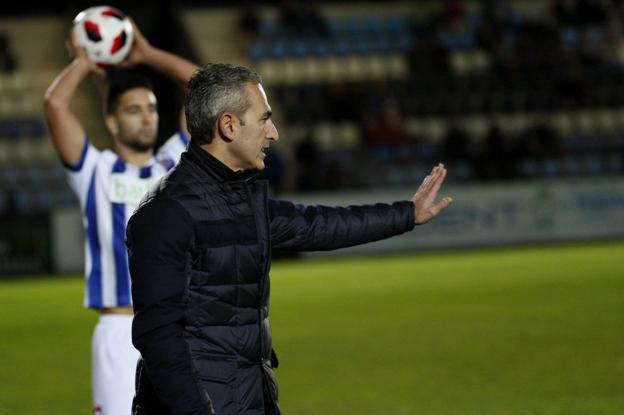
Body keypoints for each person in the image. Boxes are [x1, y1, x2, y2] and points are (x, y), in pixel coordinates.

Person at [126, 63, 453, 415]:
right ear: (228, 125)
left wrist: (407, 214)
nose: (274, 133)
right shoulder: (165, 213)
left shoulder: (242, 198)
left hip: (252, 395)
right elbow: (160, 337)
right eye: (264, 119)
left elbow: (320, 225)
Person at [42, 20, 199, 415]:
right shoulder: (93, 170)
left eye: (151, 108)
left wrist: (147, 55)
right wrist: (84, 60)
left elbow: (205, 87)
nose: (146, 118)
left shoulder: (174, 162)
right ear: (111, 122)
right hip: (119, 329)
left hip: (179, 329)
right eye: (133, 110)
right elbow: (54, 105)